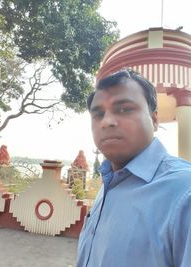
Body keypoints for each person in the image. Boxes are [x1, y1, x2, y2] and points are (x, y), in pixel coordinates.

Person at [76, 69, 191, 267]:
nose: (107, 121)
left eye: (124, 109)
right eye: (98, 114)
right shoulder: (109, 183)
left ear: (154, 120)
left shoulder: (184, 194)